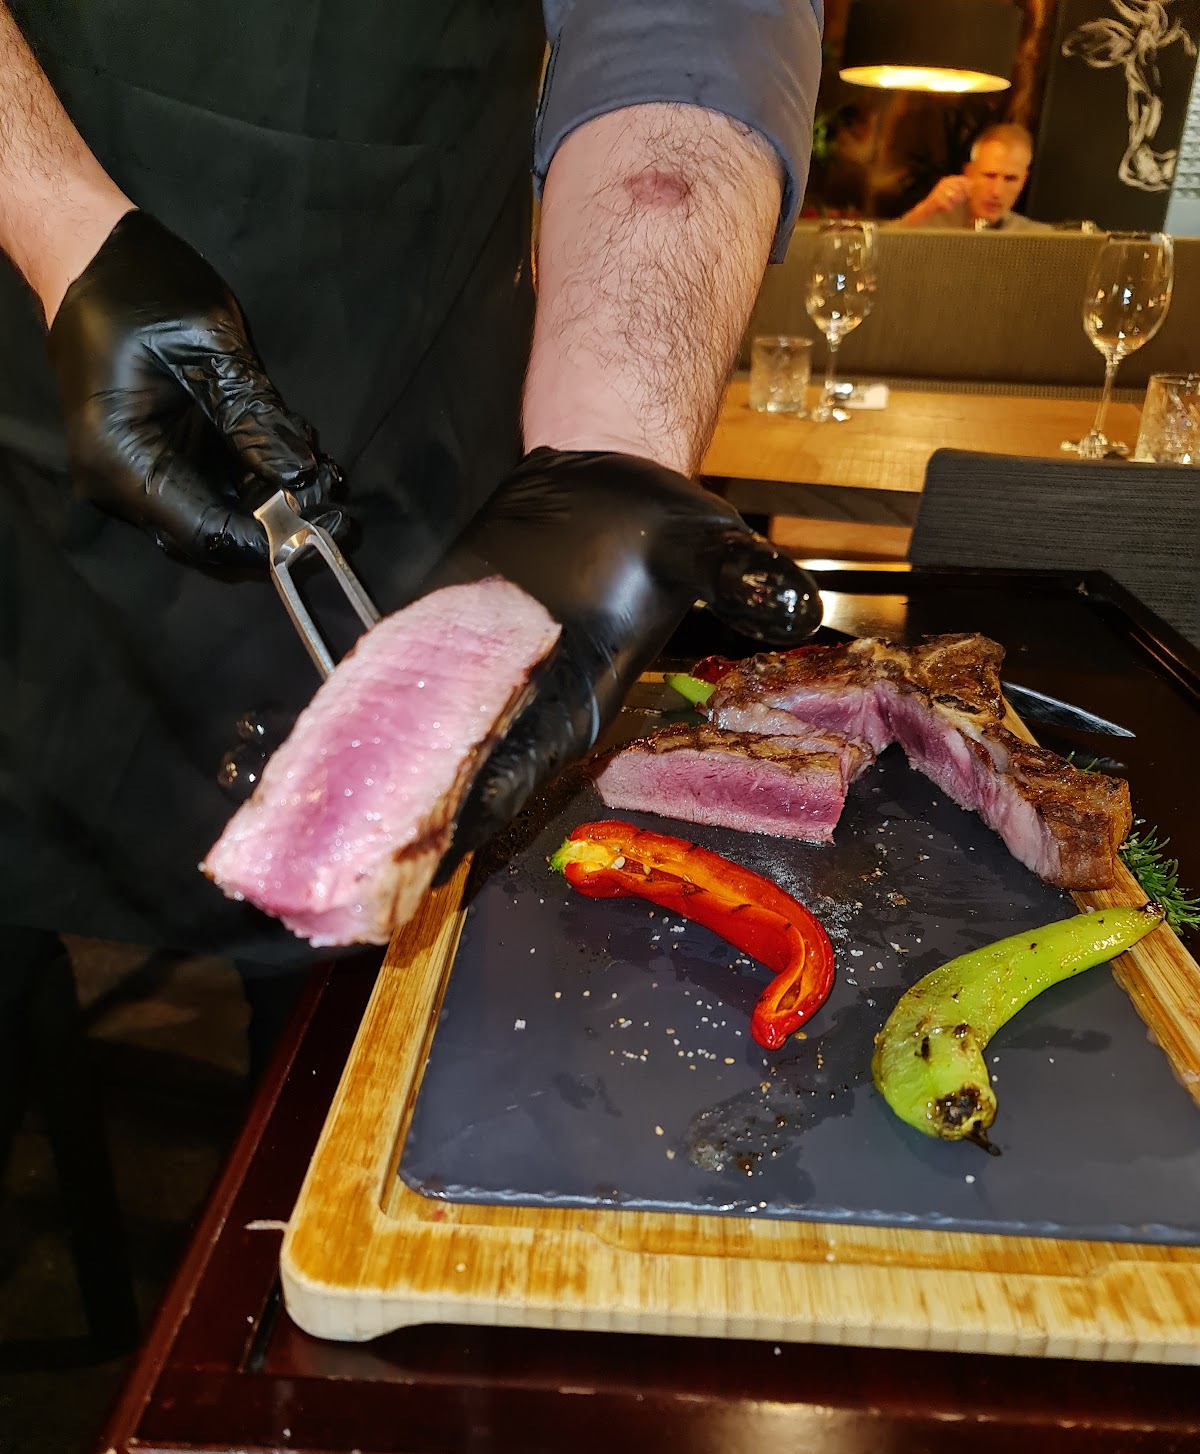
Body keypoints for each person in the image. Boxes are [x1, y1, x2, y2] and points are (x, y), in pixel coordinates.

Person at [0, 3, 825, 1048]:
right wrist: (54, 217)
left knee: (338, 1044)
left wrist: (609, 444)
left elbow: (687, 17)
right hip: (24, 383)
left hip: (414, 426)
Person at [897, 123, 1049, 232]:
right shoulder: (932, 222)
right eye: (989, 176)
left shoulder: (1035, 238)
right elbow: (885, 248)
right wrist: (925, 210)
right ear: (968, 173)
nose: (996, 192)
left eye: (1010, 179)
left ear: (1023, 181)